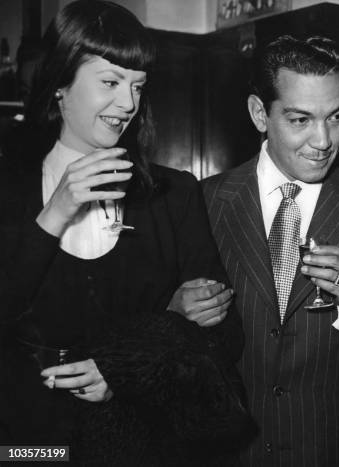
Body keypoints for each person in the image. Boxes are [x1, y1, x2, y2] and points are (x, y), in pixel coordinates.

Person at [0, 1, 248, 464]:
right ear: (60, 85)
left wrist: (142, 348)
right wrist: (55, 213)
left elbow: (227, 336)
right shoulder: (9, 187)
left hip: (143, 446)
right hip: (29, 445)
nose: (128, 104)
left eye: (138, 86)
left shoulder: (174, 193)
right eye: (110, 83)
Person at [199, 35, 339, 466]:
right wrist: (177, 312)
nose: (323, 140)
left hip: (334, 449)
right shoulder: (203, 203)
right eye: (301, 120)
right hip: (226, 450)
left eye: (335, 117)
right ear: (260, 113)